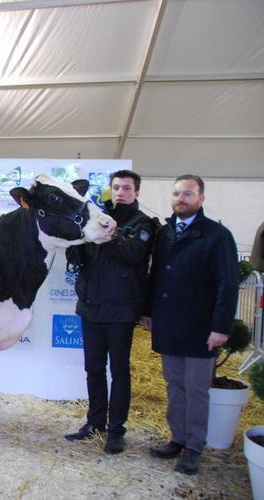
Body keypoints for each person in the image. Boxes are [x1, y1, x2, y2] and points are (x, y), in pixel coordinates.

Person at [141, 175, 238, 475]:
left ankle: (194, 447)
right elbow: (155, 274)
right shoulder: (165, 232)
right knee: (174, 384)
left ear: (201, 198)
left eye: (187, 194)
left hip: (200, 326)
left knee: (196, 389)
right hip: (169, 323)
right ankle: (177, 438)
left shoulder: (217, 235)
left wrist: (220, 327)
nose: (180, 198)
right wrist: (148, 312)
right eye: (176, 194)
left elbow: (228, 284)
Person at [64, 170, 155, 454]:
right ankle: (95, 423)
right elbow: (80, 255)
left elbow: (133, 254)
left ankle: (116, 429)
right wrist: (76, 248)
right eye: (116, 188)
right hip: (91, 307)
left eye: (127, 188)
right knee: (93, 369)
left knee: (119, 371)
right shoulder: (99, 216)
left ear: (136, 192)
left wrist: (108, 232)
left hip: (121, 310)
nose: (120, 193)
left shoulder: (144, 223)